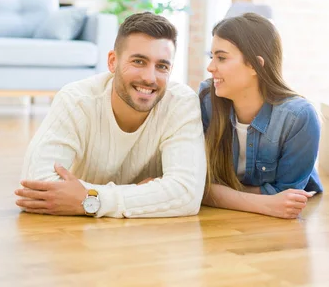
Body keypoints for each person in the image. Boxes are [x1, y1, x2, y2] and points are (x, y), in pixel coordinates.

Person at [15, 12, 206, 218]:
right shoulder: (76, 99)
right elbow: (36, 187)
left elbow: (187, 194)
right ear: (112, 62)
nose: (150, 78)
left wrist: (91, 199)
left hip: (150, 240)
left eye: (162, 66)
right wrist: (143, 195)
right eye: (139, 62)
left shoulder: (181, 102)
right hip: (73, 237)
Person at [199, 12, 323, 219]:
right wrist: (263, 202)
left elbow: (286, 198)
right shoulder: (206, 99)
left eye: (221, 58)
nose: (210, 67)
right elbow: (195, 184)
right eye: (211, 57)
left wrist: (216, 193)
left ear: (254, 65)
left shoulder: (299, 117)